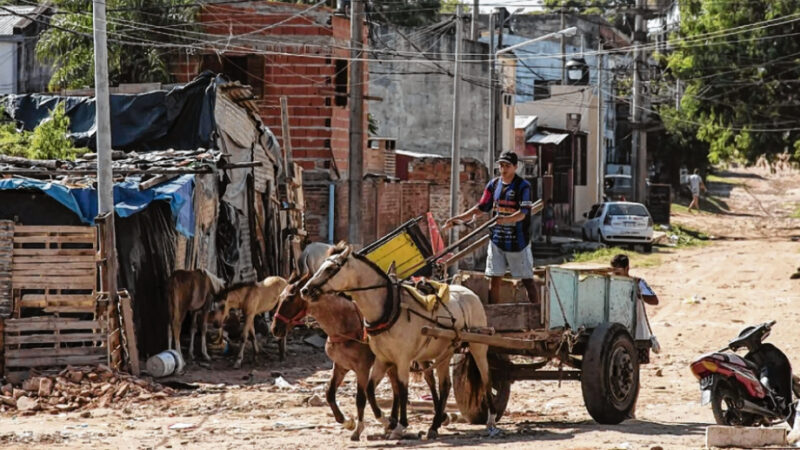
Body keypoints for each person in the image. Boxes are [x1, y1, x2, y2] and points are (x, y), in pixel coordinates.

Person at [444, 151, 543, 313]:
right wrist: (457, 218)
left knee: (527, 280)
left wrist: (504, 219)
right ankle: (493, 315)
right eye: (501, 165)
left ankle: (535, 313)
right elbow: (481, 208)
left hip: (518, 242)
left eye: (507, 166)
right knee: (494, 279)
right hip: (497, 239)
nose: (503, 169)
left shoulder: (523, 186)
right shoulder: (493, 185)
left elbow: (523, 213)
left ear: (515, 167)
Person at [610, 254, 660, 354]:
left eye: (618, 273)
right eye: (613, 272)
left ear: (627, 269)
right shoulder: (610, 283)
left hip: (637, 330)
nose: (616, 276)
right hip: (616, 328)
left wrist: (639, 294)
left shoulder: (638, 282)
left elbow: (655, 300)